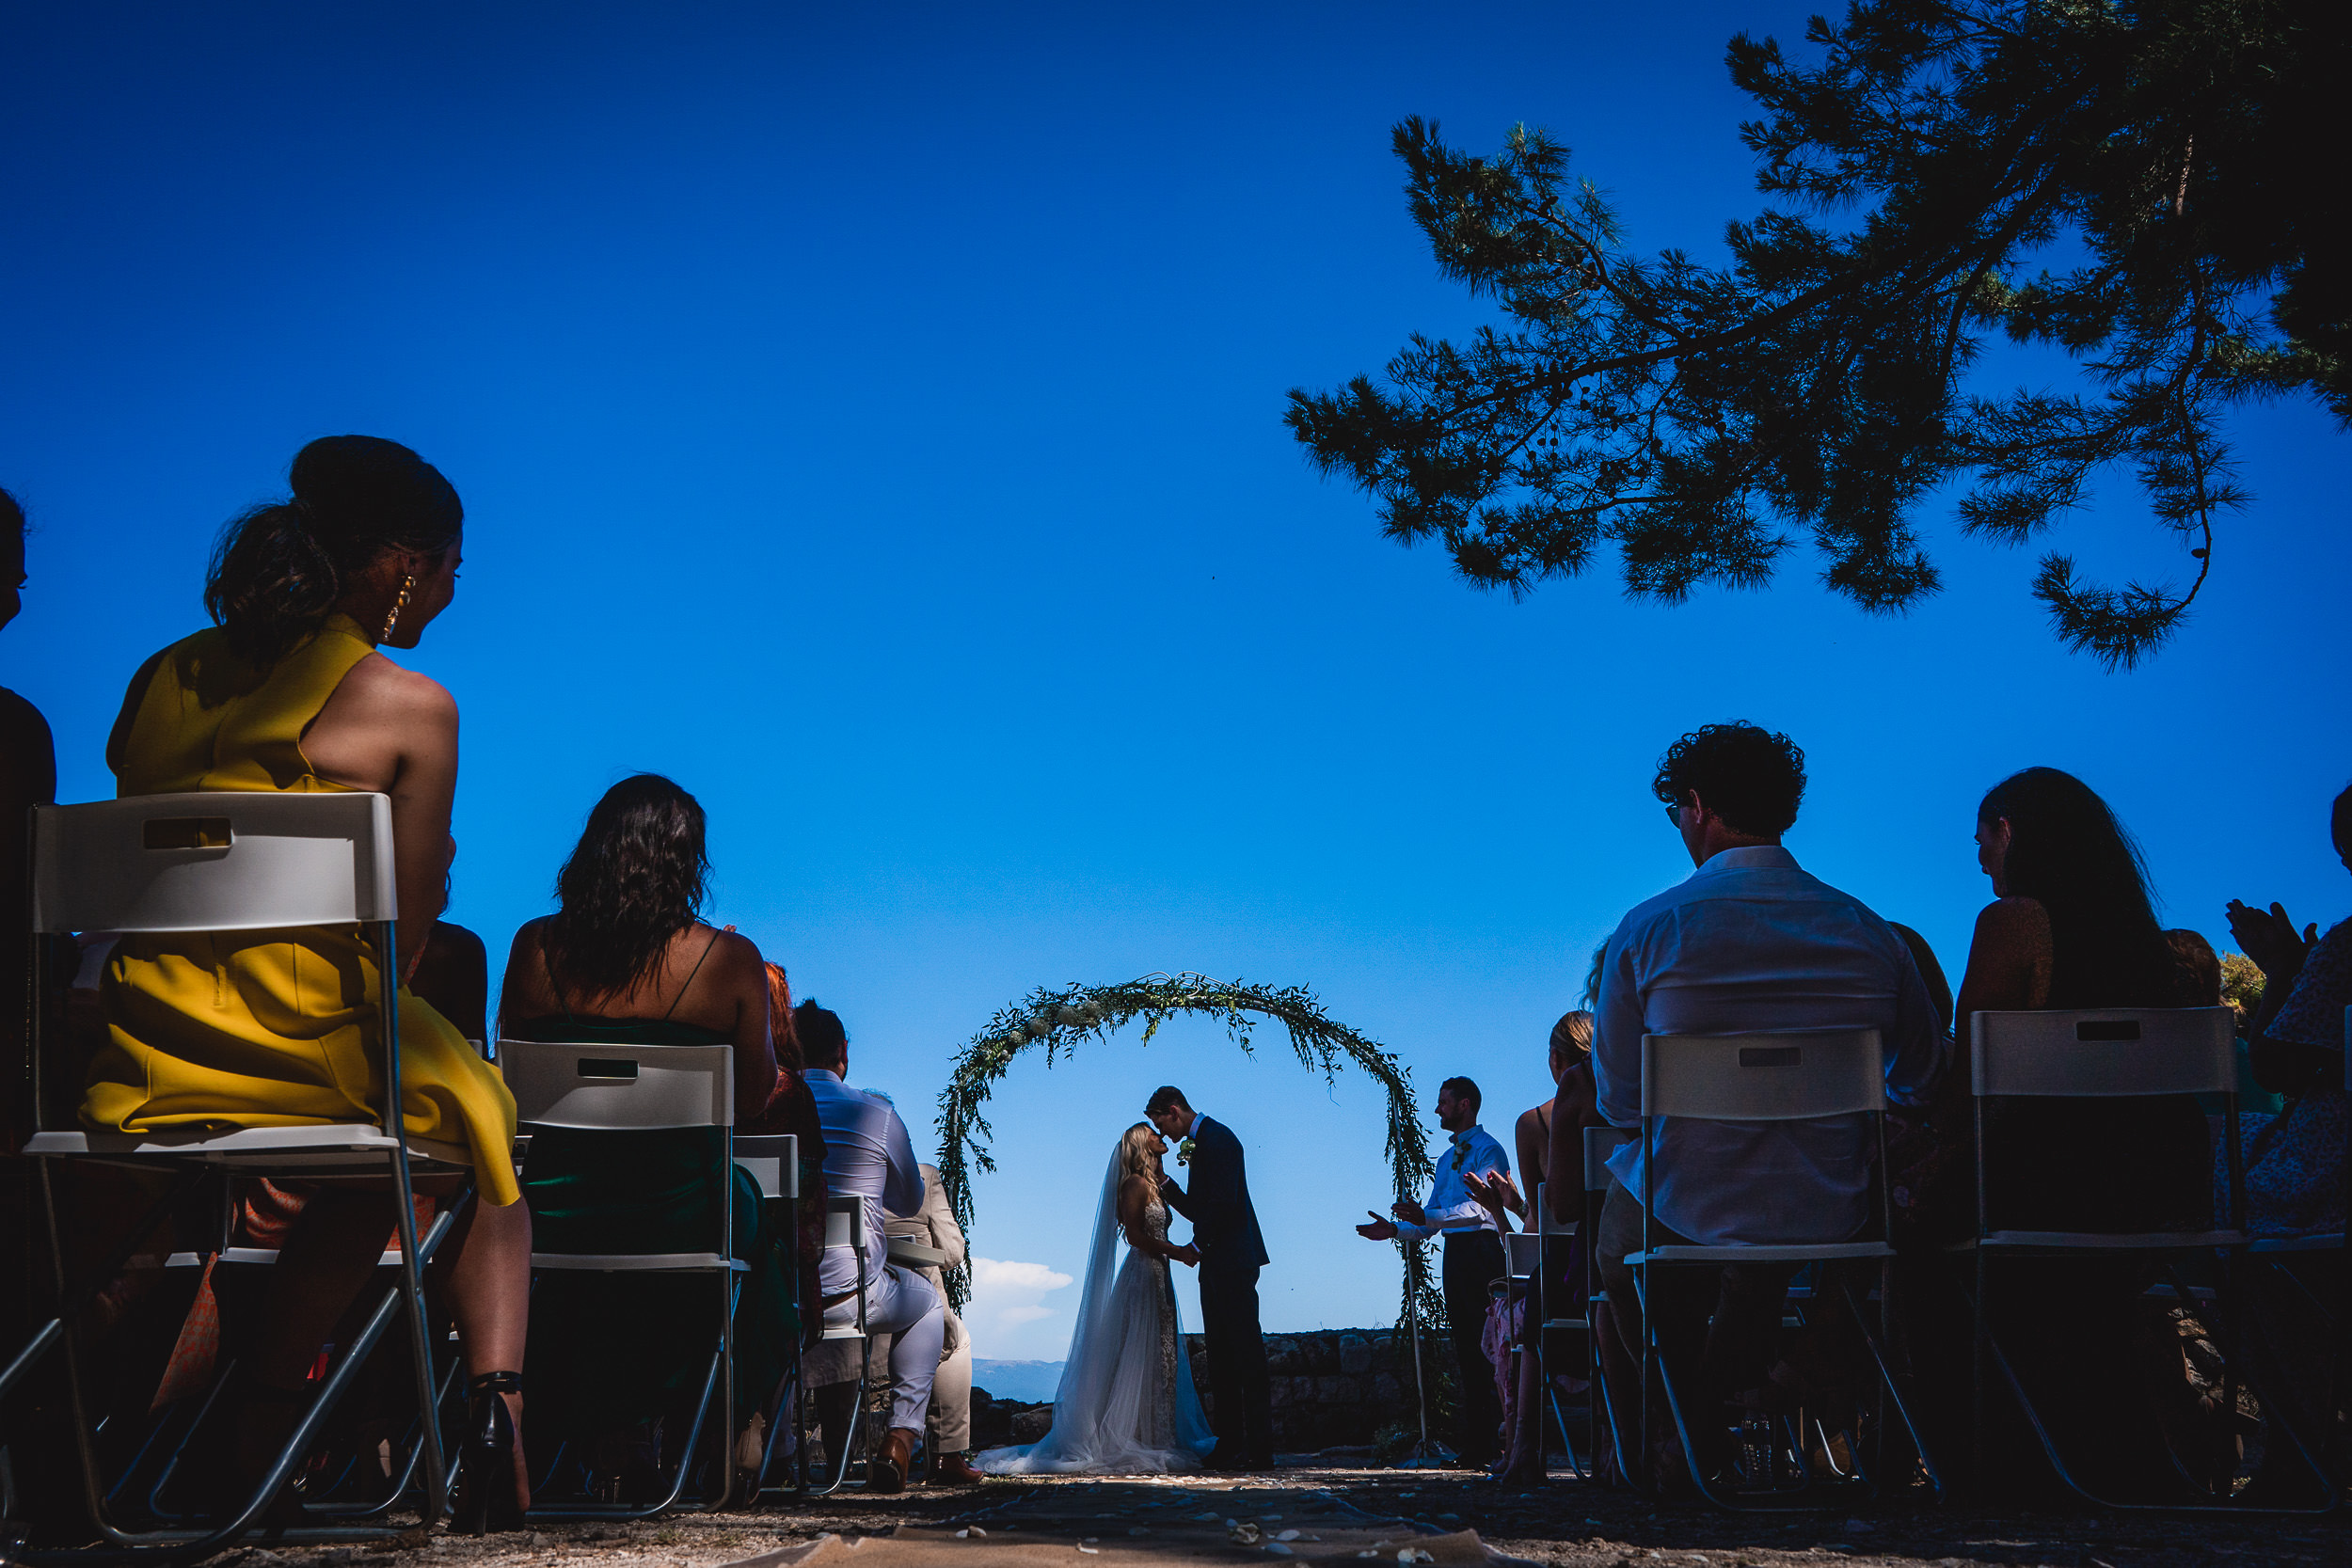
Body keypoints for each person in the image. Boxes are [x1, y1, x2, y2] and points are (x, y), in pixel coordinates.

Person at [88, 436, 531, 1529]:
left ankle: (259, 1407)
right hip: (311, 1043)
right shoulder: (410, 705)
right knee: (481, 1120)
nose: (455, 586)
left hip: (139, 1045)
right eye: (451, 564)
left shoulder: (162, 674)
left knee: (378, 1141)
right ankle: (493, 1418)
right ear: (398, 565)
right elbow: (412, 933)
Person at [1591, 721, 1939, 1491]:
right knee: (1762, 1254)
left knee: (1622, 1251)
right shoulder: (1870, 933)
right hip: (1827, 1202)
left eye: (1679, 811)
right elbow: (1919, 1075)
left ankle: (1690, 1422)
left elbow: (1619, 1098)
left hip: (1686, 1196)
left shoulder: (1649, 930)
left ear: (1698, 805)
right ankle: (1709, 1414)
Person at [497, 773, 789, 1501]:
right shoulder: (727, 961)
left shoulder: (535, 949)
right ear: (687, 863)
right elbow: (753, 1100)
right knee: (752, 1217)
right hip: (683, 1205)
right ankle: (726, 1418)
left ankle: (614, 1428)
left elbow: (510, 1081)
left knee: (597, 1264)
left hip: (557, 1209)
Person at [2212, 783, 2350, 1502]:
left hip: (2329, 1173)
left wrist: (2287, 973)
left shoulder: (2345, 949)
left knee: (2226, 1183)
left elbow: (2279, 1063)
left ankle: (2297, 1440)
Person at [977, 1123, 1213, 1475]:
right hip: (1144, 1275)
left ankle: (1159, 1433)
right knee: (1141, 1352)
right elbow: (1134, 1235)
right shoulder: (1134, 1184)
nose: (1161, 1137)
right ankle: (1139, 1436)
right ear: (1139, 1143)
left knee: (1162, 1357)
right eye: (1153, 1134)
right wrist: (1178, 1252)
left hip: (1160, 1274)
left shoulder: (1154, 1185)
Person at [800, 1000, 946, 1492]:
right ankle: (901, 1438)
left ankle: (771, 1452)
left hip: (776, 1299)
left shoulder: (760, 1112)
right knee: (926, 1304)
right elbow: (907, 1201)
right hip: (850, 1297)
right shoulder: (875, 1113)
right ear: (842, 1052)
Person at [1357, 1076, 1509, 1467]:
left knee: (1490, 1346)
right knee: (1464, 1346)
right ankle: (1476, 1444)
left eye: (1443, 1102)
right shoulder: (1445, 1161)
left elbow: (1483, 1210)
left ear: (1465, 1104)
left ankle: (1497, 1440)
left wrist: (1430, 1216)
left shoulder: (1490, 1150)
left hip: (1483, 1250)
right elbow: (1430, 1222)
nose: (1437, 1109)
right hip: (1456, 1255)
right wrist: (1395, 1229)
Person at [1146, 1085, 1272, 1468]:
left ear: (1174, 1110)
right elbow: (1200, 1209)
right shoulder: (1204, 1142)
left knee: (1247, 1354)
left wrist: (1197, 1248)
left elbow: (1223, 1206)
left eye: (1161, 1123)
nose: (1163, 1133)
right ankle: (1230, 1442)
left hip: (1233, 1259)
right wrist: (1165, 1183)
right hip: (1216, 1262)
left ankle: (1261, 1450)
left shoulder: (1220, 1140)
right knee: (1220, 1356)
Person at [881, 1164, 984, 1484]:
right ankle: (946, 1456)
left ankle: (809, 1457)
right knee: (954, 1339)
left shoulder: (825, 1171)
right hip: (904, 1319)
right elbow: (952, 1254)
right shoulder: (922, 1178)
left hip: (835, 1314)